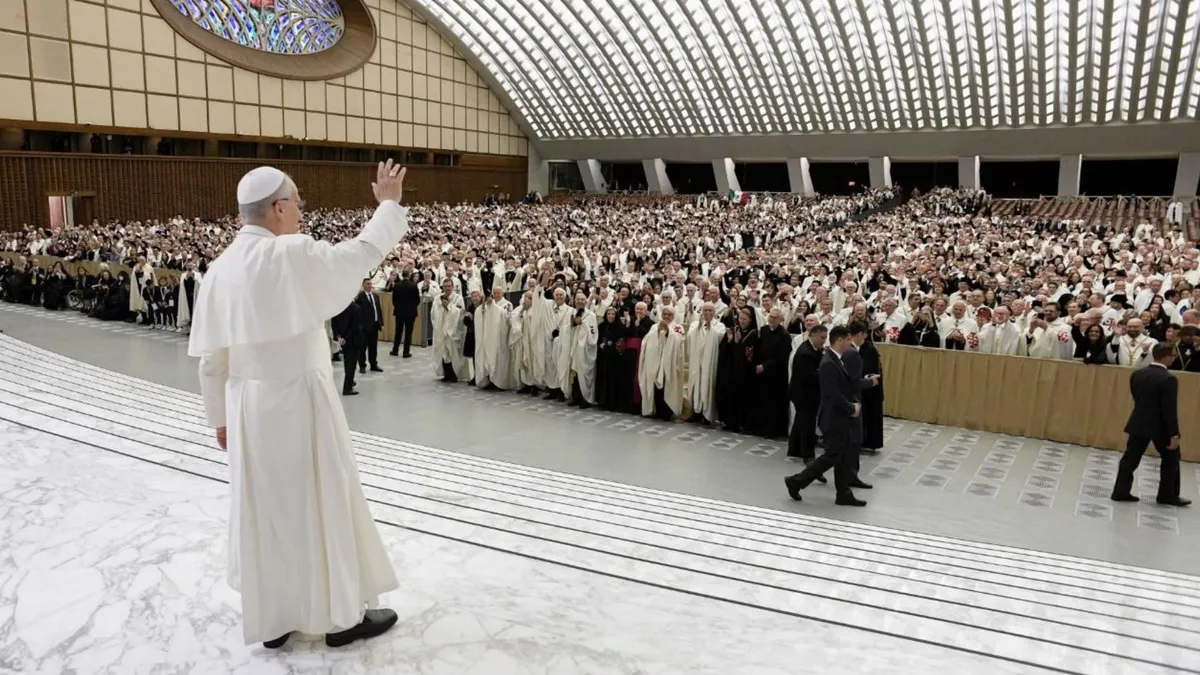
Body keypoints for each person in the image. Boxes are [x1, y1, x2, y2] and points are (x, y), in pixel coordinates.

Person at [187, 161, 409, 648]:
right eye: (298, 204)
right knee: (322, 502)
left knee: (267, 511)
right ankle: (341, 619)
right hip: (301, 400)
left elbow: (212, 359)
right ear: (278, 208)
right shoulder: (289, 253)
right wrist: (389, 205)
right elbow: (360, 254)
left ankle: (276, 619)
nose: (301, 213)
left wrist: (220, 419)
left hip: (247, 408)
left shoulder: (219, 269)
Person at [783, 325, 867, 507]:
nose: (850, 343)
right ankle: (796, 481)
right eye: (847, 340)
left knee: (839, 455)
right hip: (833, 418)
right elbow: (832, 394)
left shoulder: (835, 359)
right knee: (832, 456)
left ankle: (843, 493)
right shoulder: (829, 363)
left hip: (838, 417)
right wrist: (851, 408)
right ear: (840, 340)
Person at [1111, 342, 1189, 507]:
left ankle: (1120, 491)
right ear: (1166, 357)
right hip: (1160, 427)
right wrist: (1174, 433)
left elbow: (1137, 397)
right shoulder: (1169, 378)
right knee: (1171, 459)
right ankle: (1167, 494)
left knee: (1130, 459)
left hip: (1139, 422)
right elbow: (1169, 409)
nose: (1174, 358)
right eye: (1173, 355)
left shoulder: (1138, 374)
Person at [787, 324, 827, 479]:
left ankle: (795, 449)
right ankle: (808, 455)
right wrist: (824, 373)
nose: (824, 341)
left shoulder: (813, 349)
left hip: (806, 393)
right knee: (808, 424)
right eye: (822, 338)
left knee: (800, 420)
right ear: (813, 335)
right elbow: (810, 376)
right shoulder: (806, 353)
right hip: (803, 395)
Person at [638, 305, 685, 420]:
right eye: (664, 314)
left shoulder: (678, 327)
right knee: (655, 387)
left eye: (669, 315)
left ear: (673, 316)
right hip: (656, 362)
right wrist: (658, 332)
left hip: (669, 363)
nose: (666, 317)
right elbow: (646, 341)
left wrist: (668, 332)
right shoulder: (654, 326)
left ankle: (667, 412)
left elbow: (680, 341)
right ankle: (656, 410)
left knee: (667, 386)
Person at [752, 306, 792, 438]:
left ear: (780, 320)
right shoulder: (763, 330)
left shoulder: (784, 336)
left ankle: (771, 431)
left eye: (775, 318)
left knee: (773, 403)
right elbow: (758, 349)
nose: (772, 320)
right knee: (761, 400)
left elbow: (782, 357)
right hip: (761, 372)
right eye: (770, 317)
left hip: (775, 374)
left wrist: (765, 366)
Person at [685, 302, 725, 425]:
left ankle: (707, 414)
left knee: (707, 384)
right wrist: (698, 328)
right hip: (696, 360)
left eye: (710, 310)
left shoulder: (719, 325)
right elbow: (689, 337)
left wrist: (710, 327)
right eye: (705, 310)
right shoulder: (695, 324)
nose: (707, 313)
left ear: (714, 312)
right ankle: (695, 413)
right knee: (695, 383)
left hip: (709, 360)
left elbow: (719, 338)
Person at [331, 297, 365, 396]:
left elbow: (334, 323)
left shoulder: (338, 308)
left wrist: (339, 337)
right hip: (353, 340)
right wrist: (345, 338)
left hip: (342, 340)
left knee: (347, 362)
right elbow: (355, 327)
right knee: (351, 364)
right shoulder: (356, 309)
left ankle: (350, 381)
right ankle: (347, 388)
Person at [389, 270, 420, 357]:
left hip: (399, 312)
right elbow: (417, 299)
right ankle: (406, 352)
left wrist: (398, 307)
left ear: (402, 275)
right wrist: (412, 307)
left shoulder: (397, 285)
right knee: (408, 332)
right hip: (411, 312)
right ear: (409, 275)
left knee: (398, 331)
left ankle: (395, 350)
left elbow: (394, 299)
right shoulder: (413, 286)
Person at [356, 278, 384, 374]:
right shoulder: (360, 297)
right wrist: (360, 326)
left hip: (375, 325)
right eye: (367, 284)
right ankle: (362, 366)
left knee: (373, 347)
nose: (370, 285)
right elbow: (358, 313)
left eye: (370, 284)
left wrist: (381, 322)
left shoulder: (375, 296)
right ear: (363, 285)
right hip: (364, 327)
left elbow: (378, 310)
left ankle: (373, 364)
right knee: (363, 347)